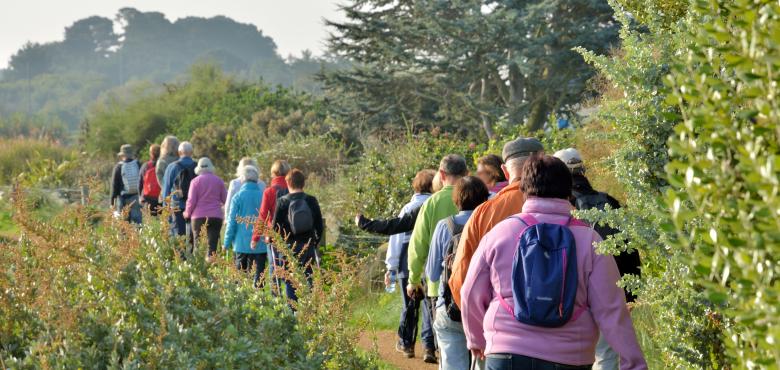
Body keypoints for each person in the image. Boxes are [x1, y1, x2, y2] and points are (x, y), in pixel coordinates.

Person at [460, 155, 647, 370]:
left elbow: (471, 291)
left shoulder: (500, 234)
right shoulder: (590, 240)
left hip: (507, 353)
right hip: (570, 357)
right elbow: (611, 309)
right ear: (569, 192)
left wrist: (476, 339)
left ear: (524, 189)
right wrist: (633, 362)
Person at [554, 148, 642, 370]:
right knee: (606, 355)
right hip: (612, 291)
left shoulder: (563, 207)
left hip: (573, 295)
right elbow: (629, 249)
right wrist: (631, 293)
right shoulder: (608, 201)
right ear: (583, 170)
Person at [449, 138, 544, 310]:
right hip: (560, 318)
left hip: (502, 317)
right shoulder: (567, 208)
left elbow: (460, 277)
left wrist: (482, 319)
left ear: (505, 171)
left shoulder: (484, 212)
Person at [407, 154, 469, 364]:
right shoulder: (479, 199)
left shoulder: (432, 203)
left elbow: (418, 245)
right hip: (474, 286)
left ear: (441, 174)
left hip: (439, 288)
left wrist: (413, 279)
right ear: (466, 174)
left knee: (448, 349)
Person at [427, 176, 489, 370]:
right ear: (485, 198)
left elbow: (433, 273)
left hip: (449, 307)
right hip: (484, 308)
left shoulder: (444, 226)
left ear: (456, 199)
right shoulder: (492, 225)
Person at [377, 169, 436, 358]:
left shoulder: (408, 208)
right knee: (429, 305)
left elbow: (396, 239)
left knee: (410, 304)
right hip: (430, 260)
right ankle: (429, 347)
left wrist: (391, 268)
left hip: (405, 261)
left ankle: (407, 344)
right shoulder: (434, 205)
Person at [271, 168, 323, 303]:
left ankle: (293, 311)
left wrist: (274, 241)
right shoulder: (311, 200)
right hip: (308, 245)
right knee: (308, 277)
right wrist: (315, 242)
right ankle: (308, 308)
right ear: (303, 183)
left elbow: (275, 227)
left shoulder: (282, 201)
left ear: (287, 184)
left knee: (290, 279)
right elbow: (319, 226)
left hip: (289, 246)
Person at [223, 165, 268, 287]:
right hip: (260, 243)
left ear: (242, 179)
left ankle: (240, 302)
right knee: (259, 278)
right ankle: (260, 302)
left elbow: (231, 222)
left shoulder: (237, 197)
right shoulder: (263, 196)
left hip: (241, 243)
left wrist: (226, 243)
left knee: (240, 279)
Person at [183, 157, 227, 258]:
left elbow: (191, 201)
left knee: (198, 245)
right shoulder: (219, 181)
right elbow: (225, 199)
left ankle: (200, 269)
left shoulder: (195, 182)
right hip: (215, 216)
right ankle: (212, 268)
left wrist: (187, 213)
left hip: (198, 217)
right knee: (212, 246)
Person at [251, 159, 291, 245]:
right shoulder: (293, 189)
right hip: (292, 233)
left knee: (275, 259)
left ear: (273, 173)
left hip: (273, 234)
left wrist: (255, 237)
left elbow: (263, 215)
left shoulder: (269, 191)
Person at [162, 141, 197, 237]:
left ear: (179, 152)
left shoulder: (171, 167)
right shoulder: (197, 167)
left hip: (177, 207)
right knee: (194, 238)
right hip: (195, 208)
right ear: (191, 152)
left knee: (179, 240)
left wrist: (166, 210)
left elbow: (166, 190)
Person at [110, 144, 142, 224]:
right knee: (137, 222)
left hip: (123, 198)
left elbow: (114, 186)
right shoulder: (138, 164)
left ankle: (124, 236)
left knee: (123, 224)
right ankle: (138, 236)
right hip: (136, 197)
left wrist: (112, 202)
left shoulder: (118, 167)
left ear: (122, 155)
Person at [225, 157, 261, 221]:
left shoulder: (234, 183)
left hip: (238, 219)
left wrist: (227, 218)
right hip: (256, 220)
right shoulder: (261, 183)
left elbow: (229, 203)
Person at [139, 144, 162, 216]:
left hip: (148, 198)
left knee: (149, 223)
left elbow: (140, 183)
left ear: (150, 153)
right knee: (162, 222)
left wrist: (140, 196)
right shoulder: (163, 165)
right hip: (161, 198)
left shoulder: (146, 166)